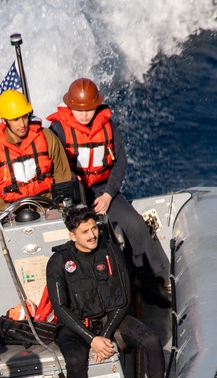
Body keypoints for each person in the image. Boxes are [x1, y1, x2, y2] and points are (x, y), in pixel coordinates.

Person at [48, 78, 170, 307]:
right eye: (79, 110)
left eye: (89, 109)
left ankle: (150, 284)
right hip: (75, 195)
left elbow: (120, 162)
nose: (84, 115)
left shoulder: (108, 126)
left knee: (135, 225)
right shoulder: (58, 131)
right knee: (91, 236)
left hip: (103, 190)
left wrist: (108, 194)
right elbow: (55, 167)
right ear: (70, 107)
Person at [45, 207, 165, 378]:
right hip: (76, 327)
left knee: (152, 340)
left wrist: (105, 336)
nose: (92, 235)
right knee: (74, 360)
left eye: (94, 228)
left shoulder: (111, 251)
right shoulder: (58, 263)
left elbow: (123, 299)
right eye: (85, 232)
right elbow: (61, 309)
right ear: (72, 236)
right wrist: (92, 340)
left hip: (112, 320)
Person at [0, 89, 74, 211]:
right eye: (15, 119)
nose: (22, 124)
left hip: (47, 208)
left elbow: (62, 177)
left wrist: (62, 207)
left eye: (25, 117)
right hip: (10, 215)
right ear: (4, 121)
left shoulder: (47, 137)